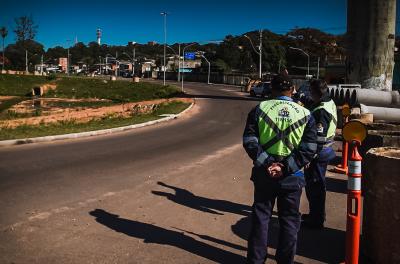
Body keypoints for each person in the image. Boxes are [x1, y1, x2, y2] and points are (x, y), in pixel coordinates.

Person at [243, 74, 318, 264]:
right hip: (293, 176)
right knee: (290, 222)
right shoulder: (305, 114)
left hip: (264, 174)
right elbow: (309, 149)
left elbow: (250, 141)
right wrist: (285, 168)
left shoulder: (259, 109)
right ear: (292, 90)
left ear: (271, 90)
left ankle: (256, 260)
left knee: (261, 219)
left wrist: (269, 164)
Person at [301, 79, 337, 229]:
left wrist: (310, 155)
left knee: (315, 186)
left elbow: (319, 138)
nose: (309, 93)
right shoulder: (328, 101)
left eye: (310, 91)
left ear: (316, 93)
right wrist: (301, 96)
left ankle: (316, 220)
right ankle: (315, 214)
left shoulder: (321, 112)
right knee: (316, 185)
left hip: (319, 153)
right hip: (325, 150)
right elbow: (313, 103)